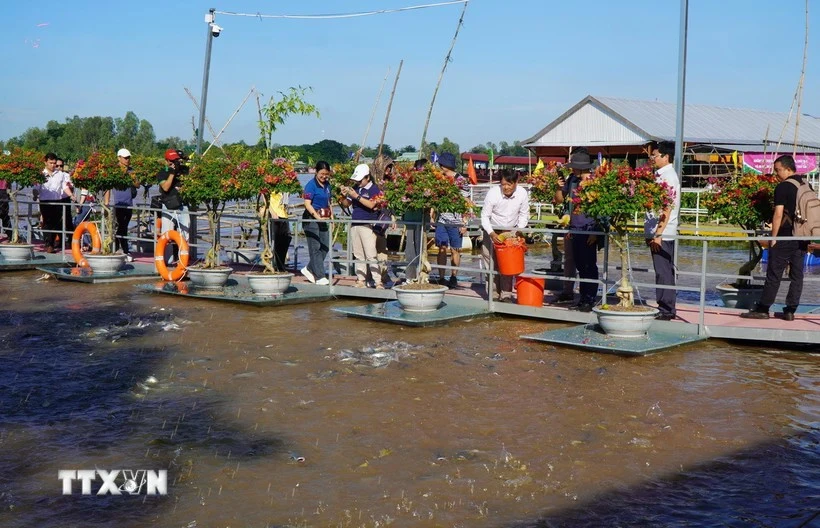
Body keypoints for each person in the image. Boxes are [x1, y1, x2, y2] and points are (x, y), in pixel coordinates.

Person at [741, 154, 809, 320]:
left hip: (785, 236)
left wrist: (773, 237)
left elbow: (778, 214)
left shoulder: (783, 187)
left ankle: (763, 308)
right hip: (802, 236)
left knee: (774, 274)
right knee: (797, 275)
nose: (776, 173)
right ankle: (790, 310)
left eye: (778, 170)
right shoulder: (806, 185)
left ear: (787, 168)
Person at [555, 149, 600, 312]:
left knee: (589, 265)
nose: (572, 170)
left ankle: (590, 298)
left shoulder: (595, 182)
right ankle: (583, 298)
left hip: (589, 228)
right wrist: (559, 187)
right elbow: (559, 199)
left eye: (574, 167)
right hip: (575, 228)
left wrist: (595, 232)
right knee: (581, 265)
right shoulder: (572, 179)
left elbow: (600, 208)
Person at [480, 169, 529, 301]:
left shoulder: (522, 193)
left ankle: (506, 294)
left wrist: (519, 229)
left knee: (508, 263)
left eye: (509, 184)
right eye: (503, 184)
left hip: (511, 231)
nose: (506, 187)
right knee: (491, 262)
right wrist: (491, 233)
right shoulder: (493, 193)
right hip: (492, 229)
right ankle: (494, 294)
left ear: (516, 183)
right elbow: (485, 215)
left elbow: (524, 214)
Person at [645, 141, 681, 320]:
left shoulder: (668, 177)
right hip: (657, 231)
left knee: (663, 271)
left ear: (666, 157)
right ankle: (665, 305)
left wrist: (658, 233)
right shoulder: (659, 175)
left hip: (663, 233)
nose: (652, 159)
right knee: (662, 270)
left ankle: (667, 308)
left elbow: (666, 208)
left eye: (655, 156)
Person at [339, 163, 383, 288]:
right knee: (358, 255)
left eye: (360, 180)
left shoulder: (374, 189)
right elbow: (347, 204)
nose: (358, 183)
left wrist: (356, 196)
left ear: (367, 177)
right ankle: (361, 280)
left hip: (368, 224)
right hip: (355, 224)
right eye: (356, 181)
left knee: (371, 254)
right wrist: (343, 195)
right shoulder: (356, 188)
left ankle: (378, 281)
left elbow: (372, 205)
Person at [432, 152, 469, 288]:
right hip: (442, 220)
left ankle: (454, 276)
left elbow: (466, 202)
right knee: (441, 248)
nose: (440, 167)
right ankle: (441, 277)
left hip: (456, 221)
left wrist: (464, 223)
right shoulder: (439, 179)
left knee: (455, 250)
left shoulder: (461, 180)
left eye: (442, 164)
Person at [104, 148, 140, 261]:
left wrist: (132, 177)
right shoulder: (114, 171)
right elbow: (108, 188)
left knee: (124, 226)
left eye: (129, 158)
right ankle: (125, 250)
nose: (127, 160)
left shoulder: (131, 171)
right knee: (121, 227)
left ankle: (120, 248)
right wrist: (106, 203)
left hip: (128, 203)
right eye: (125, 158)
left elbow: (138, 185)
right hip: (117, 204)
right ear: (119, 158)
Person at [156, 148, 190, 264]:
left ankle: (183, 261)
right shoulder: (162, 172)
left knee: (185, 235)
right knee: (167, 235)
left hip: (183, 206)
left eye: (176, 160)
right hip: (168, 206)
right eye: (171, 161)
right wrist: (171, 173)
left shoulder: (185, 170)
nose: (174, 163)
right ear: (166, 161)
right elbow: (165, 187)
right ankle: (167, 261)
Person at [301, 160, 333, 285]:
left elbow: (329, 202)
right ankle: (320, 276)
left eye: (326, 174)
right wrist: (316, 217)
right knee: (315, 247)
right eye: (322, 174)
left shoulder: (328, 185)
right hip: (311, 218)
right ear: (316, 171)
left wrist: (332, 217)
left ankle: (309, 268)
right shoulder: (311, 185)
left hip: (324, 218)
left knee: (325, 245)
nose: (324, 176)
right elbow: (307, 204)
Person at [34, 153, 73, 253]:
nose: (53, 165)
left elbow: (64, 186)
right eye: (50, 163)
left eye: (54, 163)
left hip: (57, 201)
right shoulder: (41, 174)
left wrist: (71, 195)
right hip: (45, 201)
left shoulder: (60, 174)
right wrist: (35, 194)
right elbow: (36, 187)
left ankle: (53, 242)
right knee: (47, 222)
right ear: (45, 162)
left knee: (56, 223)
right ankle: (49, 244)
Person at [371, 154, 396, 286]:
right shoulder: (371, 183)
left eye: (390, 168)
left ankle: (383, 275)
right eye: (387, 168)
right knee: (371, 249)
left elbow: (390, 202)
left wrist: (392, 216)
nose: (389, 171)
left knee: (382, 248)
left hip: (384, 219)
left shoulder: (389, 183)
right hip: (372, 218)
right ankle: (373, 276)